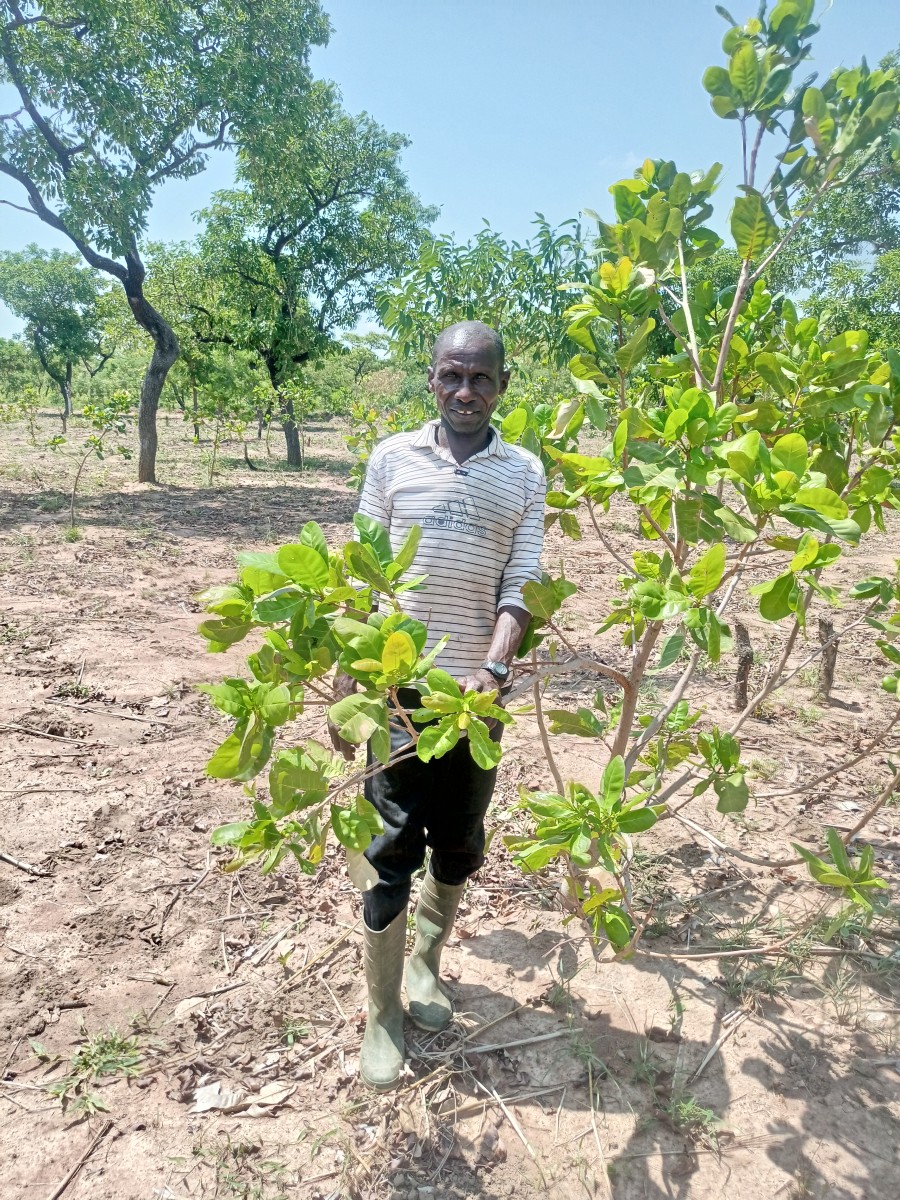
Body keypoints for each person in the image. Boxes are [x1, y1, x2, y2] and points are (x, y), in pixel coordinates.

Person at [331, 320, 546, 1090]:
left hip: (474, 699)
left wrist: (494, 668)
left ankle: (425, 963)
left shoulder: (523, 471)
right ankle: (381, 1013)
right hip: (398, 690)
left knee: (458, 840)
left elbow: (521, 584)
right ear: (431, 380)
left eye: (480, 378)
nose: (465, 391)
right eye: (451, 376)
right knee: (390, 847)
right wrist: (346, 688)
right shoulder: (392, 457)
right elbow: (361, 574)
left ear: (503, 385)